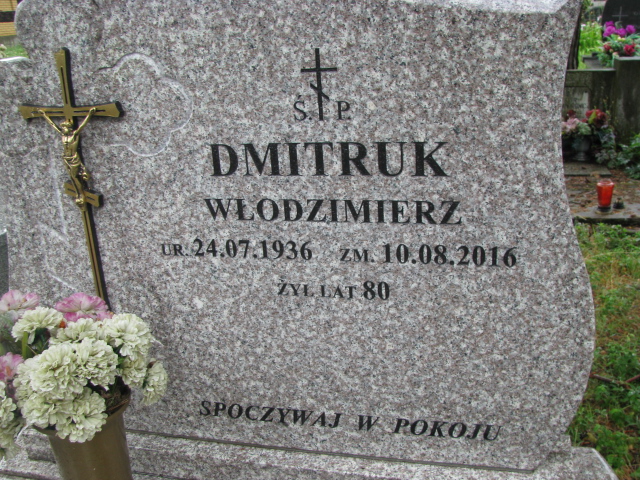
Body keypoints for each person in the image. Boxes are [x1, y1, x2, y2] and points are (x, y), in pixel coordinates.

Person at [38, 108, 96, 207]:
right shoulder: (63, 136)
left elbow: (82, 126)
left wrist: (89, 114)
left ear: (69, 128)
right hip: (66, 158)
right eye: (63, 128)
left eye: (65, 127)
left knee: (75, 177)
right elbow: (53, 125)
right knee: (72, 177)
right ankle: (78, 194)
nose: (63, 129)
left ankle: (80, 194)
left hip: (73, 159)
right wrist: (44, 115)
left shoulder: (74, 136)